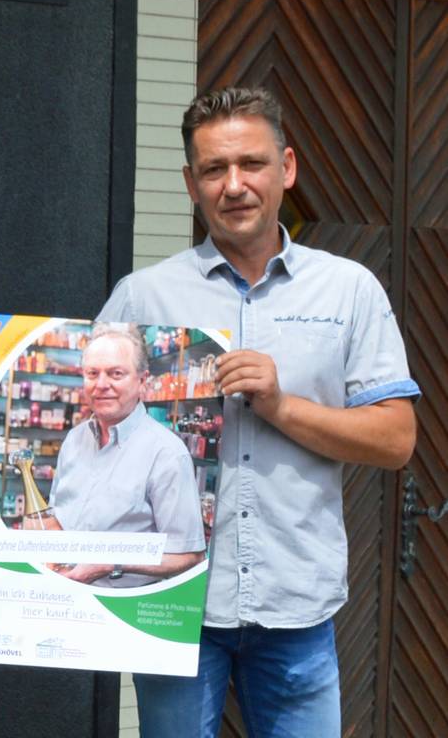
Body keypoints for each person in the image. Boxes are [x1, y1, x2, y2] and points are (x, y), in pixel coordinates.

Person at [98, 86, 417, 738]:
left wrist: (279, 405)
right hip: (174, 604)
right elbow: (83, 425)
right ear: (191, 181)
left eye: (252, 164)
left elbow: (395, 440)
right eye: (214, 169)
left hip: (298, 606)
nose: (234, 185)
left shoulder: (349, 290)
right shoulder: (143, 296)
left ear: (287, 169)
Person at [43, 325, 207, 586]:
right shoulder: (74, 439)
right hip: (62, 596)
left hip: (123, 611)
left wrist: (111, 564)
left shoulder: (166, 453)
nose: (101, 385)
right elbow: (58, 517)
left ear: (142, 381)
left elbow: (189, 554)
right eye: (92, 374)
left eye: (116, 374)